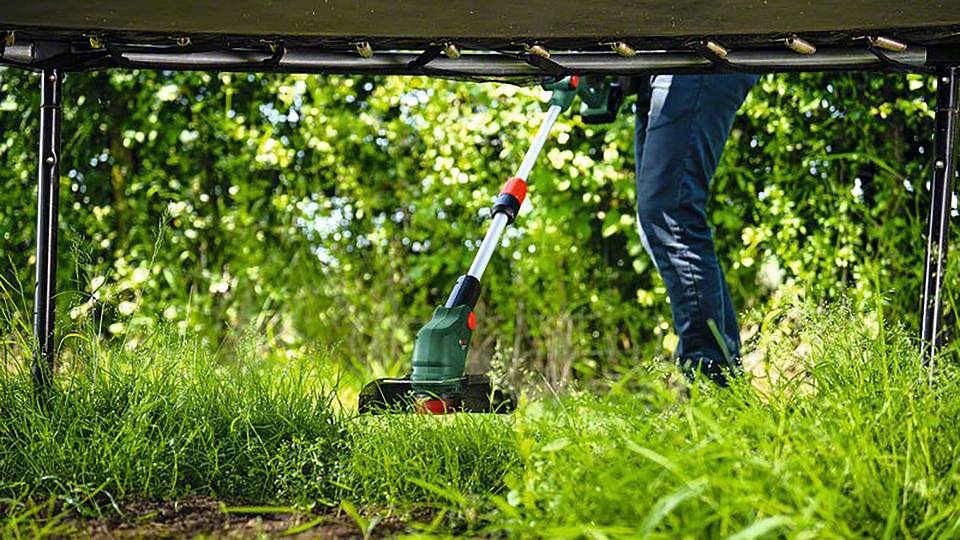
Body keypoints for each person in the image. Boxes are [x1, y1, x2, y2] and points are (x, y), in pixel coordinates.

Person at [632, 73, 759, 385]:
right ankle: (726, 383)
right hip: (658, 61)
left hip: (698, 56)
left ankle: (710, 380)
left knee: (668, 214)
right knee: (656, 219)